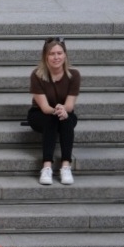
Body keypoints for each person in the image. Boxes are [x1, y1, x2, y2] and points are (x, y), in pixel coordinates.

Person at [27, 36, 80, 186]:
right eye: (52, 54)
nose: (56, 57)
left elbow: (70, 105)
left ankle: (66, 166)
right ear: (46, 56)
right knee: (52, 119)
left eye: (59, 53)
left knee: (66, 119)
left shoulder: (74, 75)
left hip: (64, 112)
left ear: (65, 55)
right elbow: (44, 107)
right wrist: (58, 109)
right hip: (40, 113)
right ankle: (47, 167)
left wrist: (63, 109)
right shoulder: (37, 75)